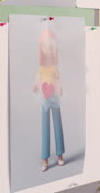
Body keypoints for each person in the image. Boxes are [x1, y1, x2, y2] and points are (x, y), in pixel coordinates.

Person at [33, 28, 65, 172]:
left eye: (51, 47)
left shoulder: (54, 67)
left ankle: (60, 155)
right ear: (41, 48)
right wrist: (35, 86)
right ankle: (44, 158)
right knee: (44, 127)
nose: (49, 49)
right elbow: (38, 79)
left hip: (55, 98)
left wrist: (59, 89)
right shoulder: (41, 68)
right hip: (44, 99)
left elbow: (57, 81)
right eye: (46, 46)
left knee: (58, 126)